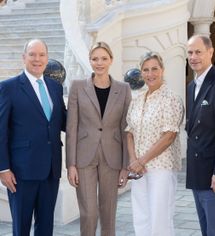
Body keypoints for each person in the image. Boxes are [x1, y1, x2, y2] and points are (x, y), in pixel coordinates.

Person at [0, 39, 66, 236]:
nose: (37, 59)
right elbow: (1, 130)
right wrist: (3, 168)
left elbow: (63, 121)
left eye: (41, 55)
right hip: (21, 172)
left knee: (46, 227)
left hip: (51, 171)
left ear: (47, 58)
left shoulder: (55, 87)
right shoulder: (8, 88)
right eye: (32, 54)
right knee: (21, 227)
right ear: (24, 57)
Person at [66, 41, 131, 236]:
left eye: (104, 58)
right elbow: (72, 127)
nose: (99, 63)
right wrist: (71, 164)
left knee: (109, 213)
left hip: (113, 158)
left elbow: (126, 129)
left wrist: (125, 166)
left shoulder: (124, 89)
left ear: (111, 60)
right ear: (90, 61)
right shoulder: (77, 87)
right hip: (84, 157)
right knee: (89, 213)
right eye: (95, 59)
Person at [126, 52, 184, 236]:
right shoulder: (137, 100)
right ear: (141, 72)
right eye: (146, 70)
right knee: (141, 216)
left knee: (160, 218)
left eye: (154, 69)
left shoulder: (171, 98)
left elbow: (169, 136)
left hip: (162, 168)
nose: (150, 74)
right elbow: (129, 132)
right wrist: (134, 161)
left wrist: (141, 160)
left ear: (162, 70)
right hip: (139, 169)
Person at [186, 35, 215, 236]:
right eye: (190, 53)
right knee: (206, 231)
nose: (193, 57)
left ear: (210, 52)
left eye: (198, 52)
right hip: (198, 173)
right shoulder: (192, 87)